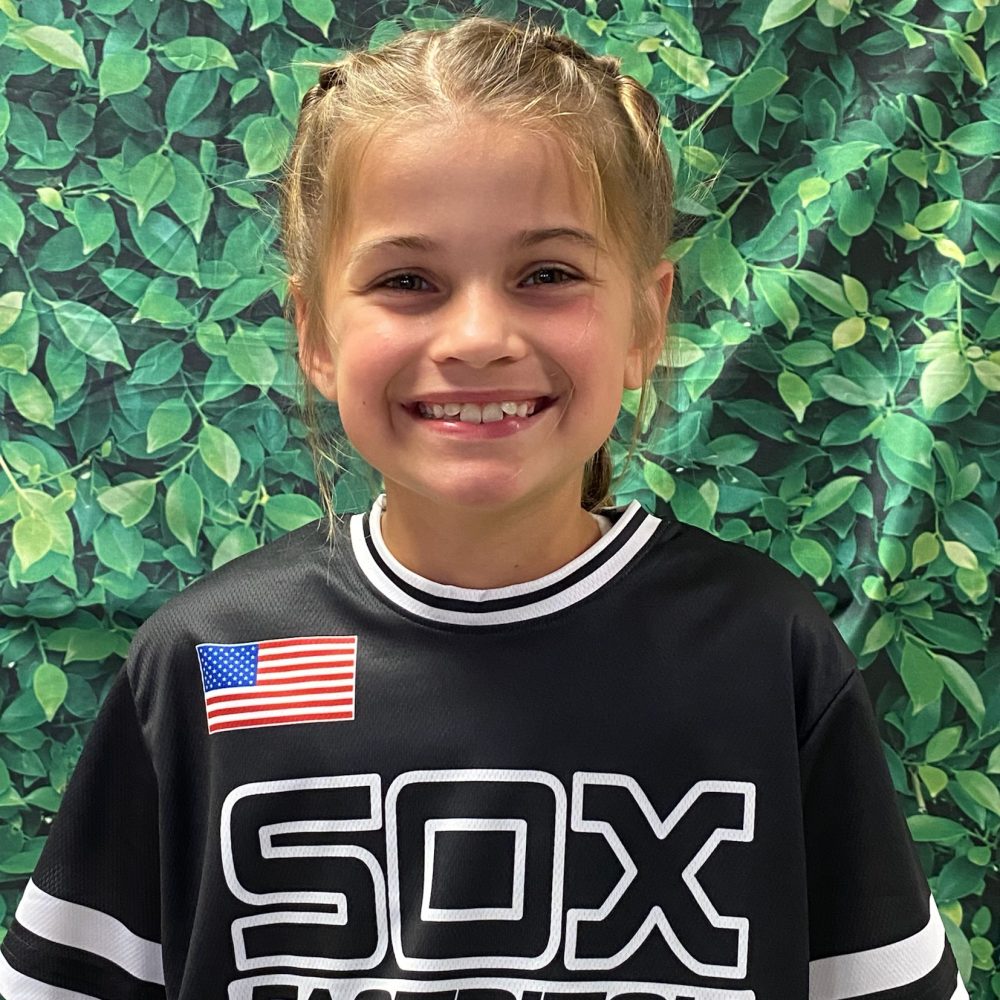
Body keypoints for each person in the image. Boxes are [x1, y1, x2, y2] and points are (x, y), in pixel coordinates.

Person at [0, 13, 968, 1000]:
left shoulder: (763, 652)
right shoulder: (217, 662)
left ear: (646, 318)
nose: (475, 336)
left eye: (547, 275)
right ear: (315, 333)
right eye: (407, 280)